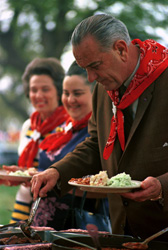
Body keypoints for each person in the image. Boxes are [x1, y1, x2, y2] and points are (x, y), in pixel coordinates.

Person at [31, 14, 168, 241]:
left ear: (121, 49)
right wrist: (58, 171)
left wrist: (162, 186)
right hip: (121, 233)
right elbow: (96, 144)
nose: (91, 78)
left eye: (95, 66)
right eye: (85, 68)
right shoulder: (104, 90)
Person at [30, 60, 109, 230]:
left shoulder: (100, 134)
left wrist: (57, 182)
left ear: (95, 94)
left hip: (77, 225)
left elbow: (108, 187)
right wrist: (34, 177)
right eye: (66, 93)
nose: (70, 100)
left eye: (77, 93)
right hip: (45, 223)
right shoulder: (62, 130)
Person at [3, 57, 69, 223]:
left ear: (58, 90)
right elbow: (27, 168)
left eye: (45, 89)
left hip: (56, 211)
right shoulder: (29, 126)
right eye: (33, 90)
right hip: (23, 203)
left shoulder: (69, 125)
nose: (38, 95)